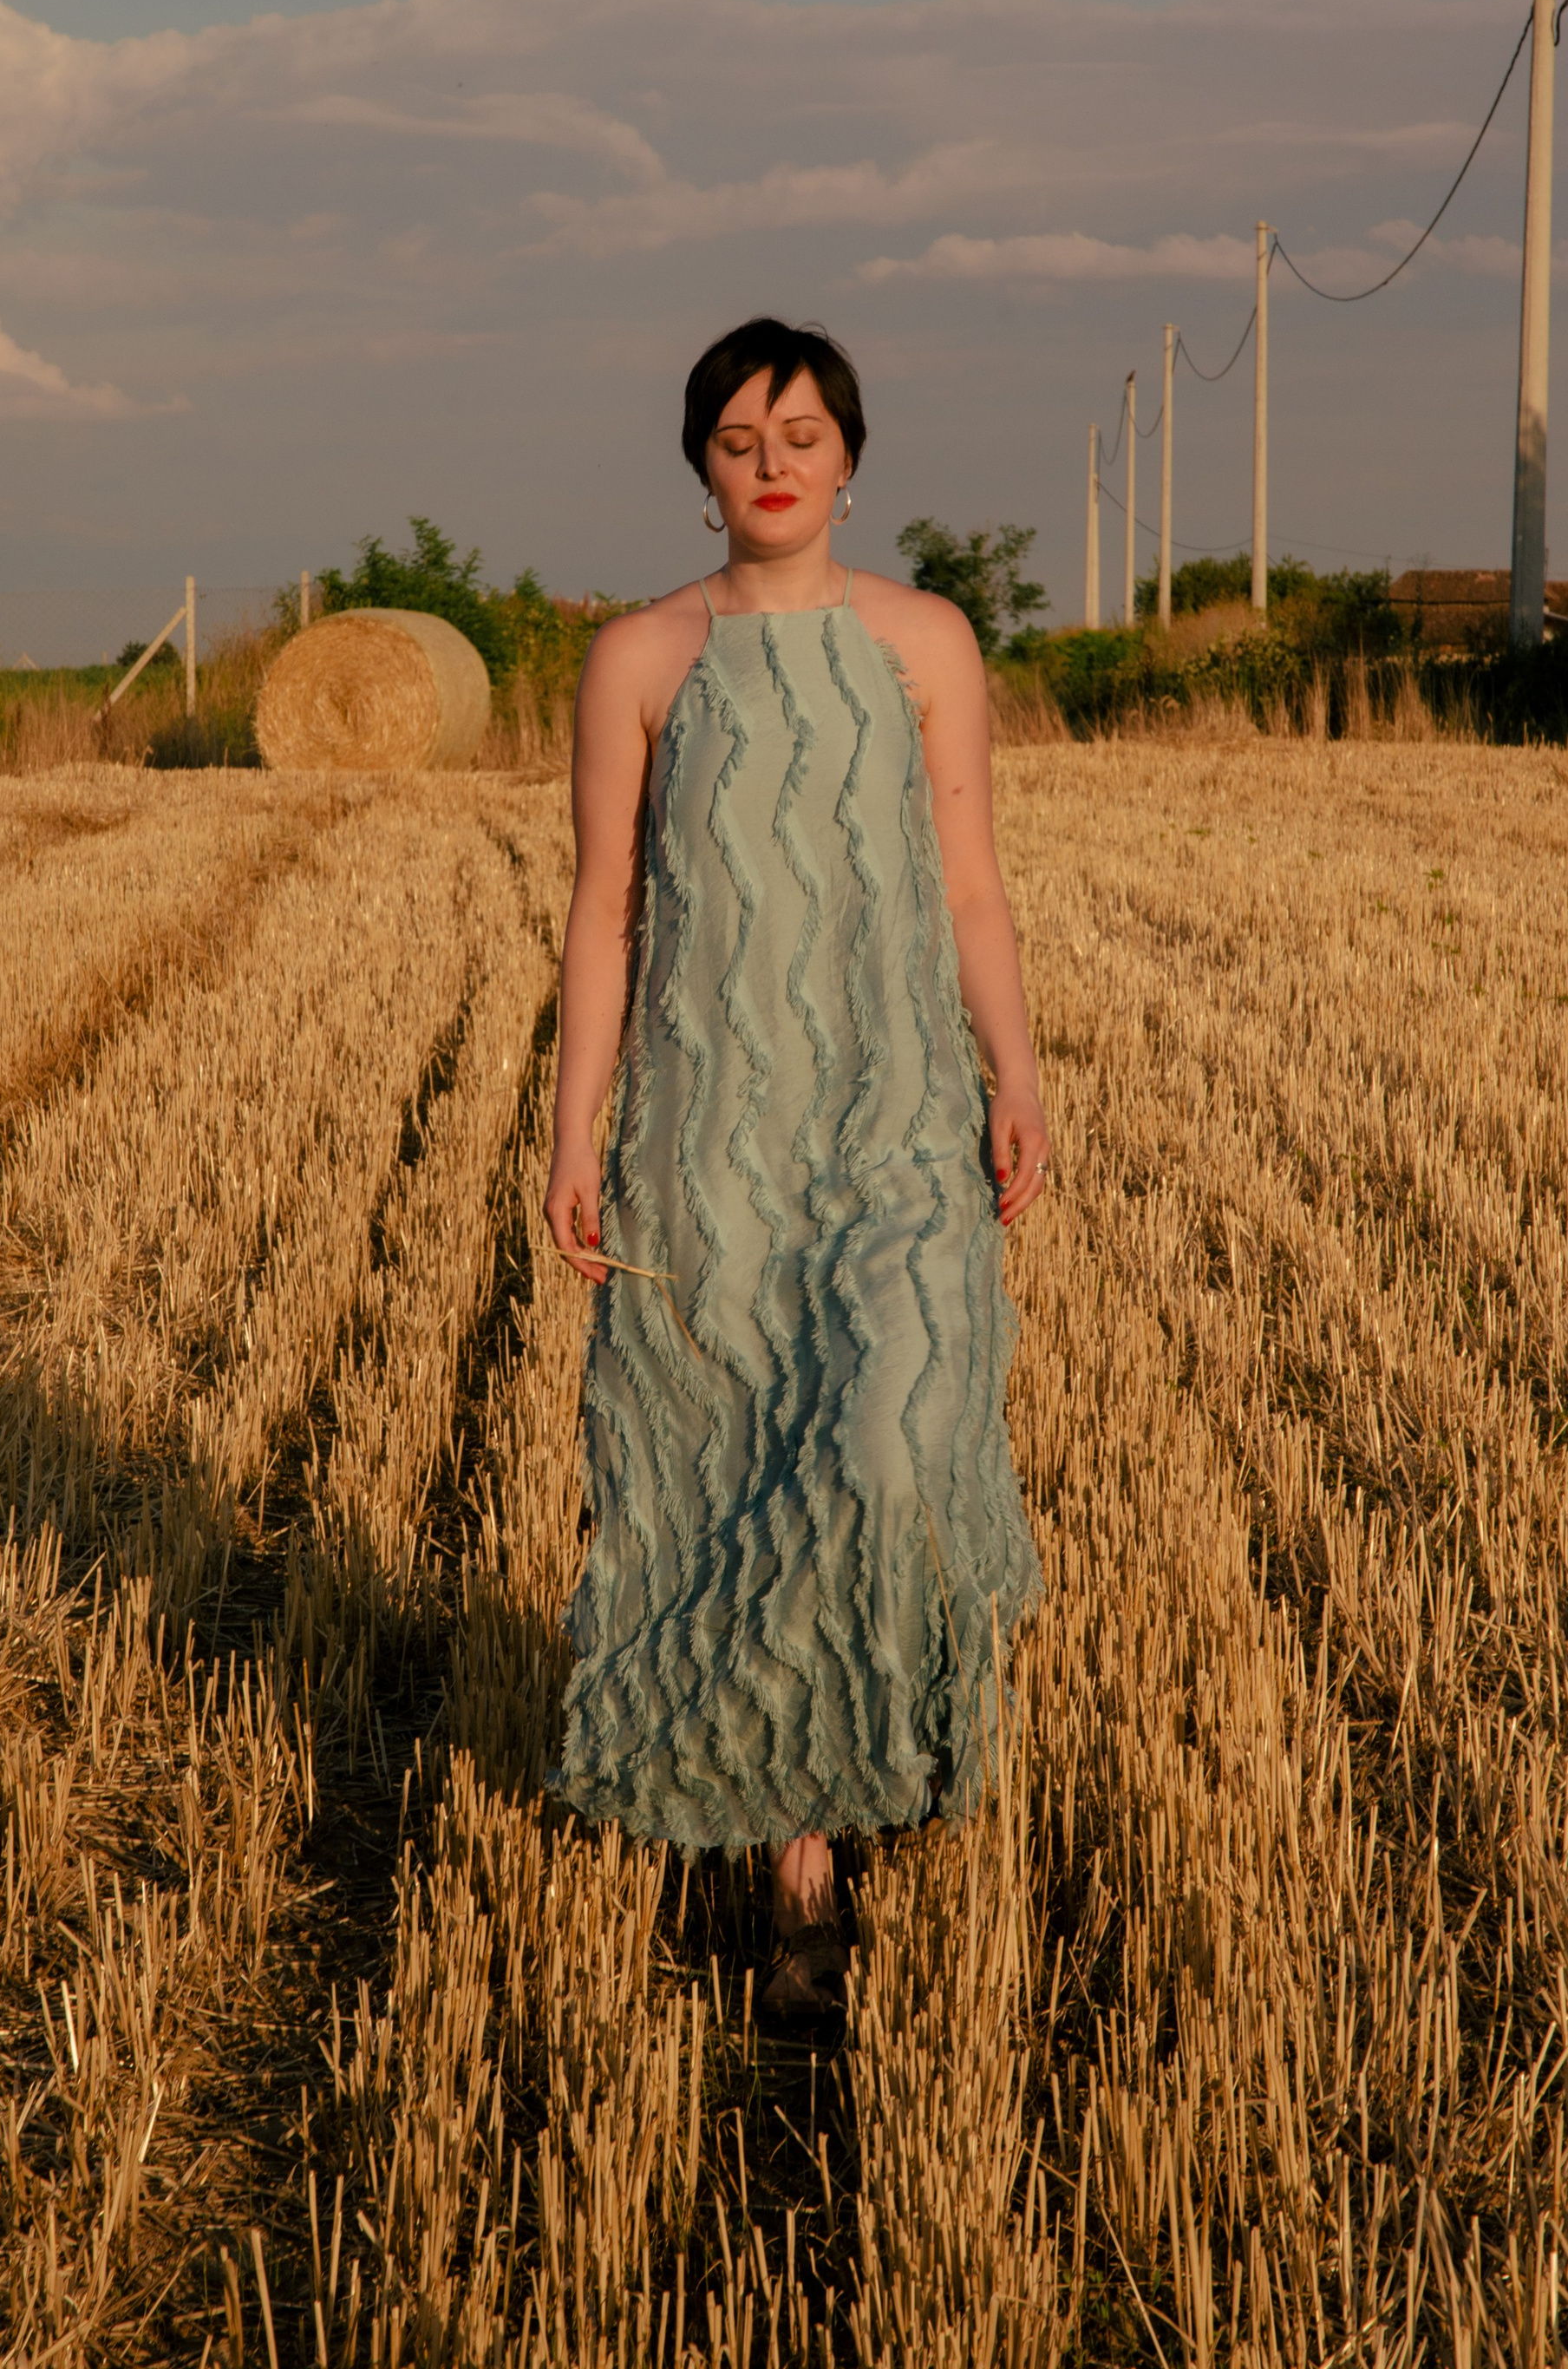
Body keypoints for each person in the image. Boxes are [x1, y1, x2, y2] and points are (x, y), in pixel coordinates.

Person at [543, 317, 1049, 2022]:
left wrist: (1016, 1065)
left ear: (848, 457)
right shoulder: (637, 657)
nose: (772, 461)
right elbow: (603, 912)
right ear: (699, 462)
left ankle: (845, 1744)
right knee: (738, 1457)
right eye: (742, 435)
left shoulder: (923, 639)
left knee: (891, 1442)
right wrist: (574, 1131)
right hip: (710, 1134)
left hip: (892, 1111)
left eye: (804, 433)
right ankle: (797, 1860)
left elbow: (970, 881)